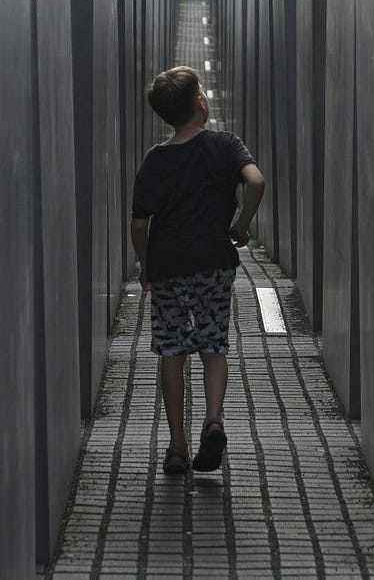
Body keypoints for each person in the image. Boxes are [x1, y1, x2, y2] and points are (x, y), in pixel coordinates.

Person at [130, 65, 265, 475]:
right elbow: (256, 182)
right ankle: (214, 419)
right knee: (213, 345)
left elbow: (139, 223)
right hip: (214, 263)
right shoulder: (226, 145)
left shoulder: (156, 160)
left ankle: (175, 446)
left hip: (169, 266)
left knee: (171, 353)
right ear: (202, 105)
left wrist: (145, 265)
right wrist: (242, 224)